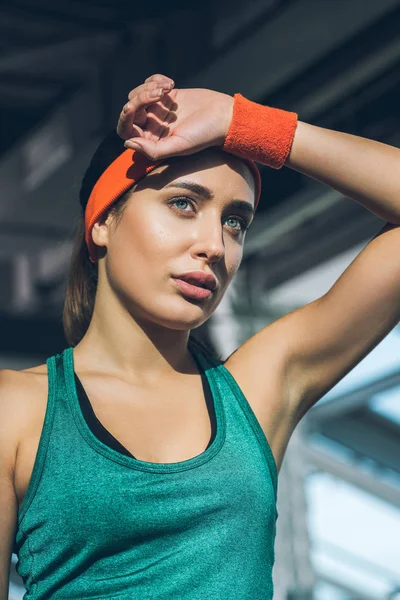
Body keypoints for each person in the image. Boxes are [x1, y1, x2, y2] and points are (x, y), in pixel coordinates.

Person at [1, 72, 399, 600]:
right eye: (184, 204)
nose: (214, 243)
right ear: (103, 221)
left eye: (235, 222)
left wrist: (242, 122)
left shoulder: (257, 392)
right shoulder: (18, 411)